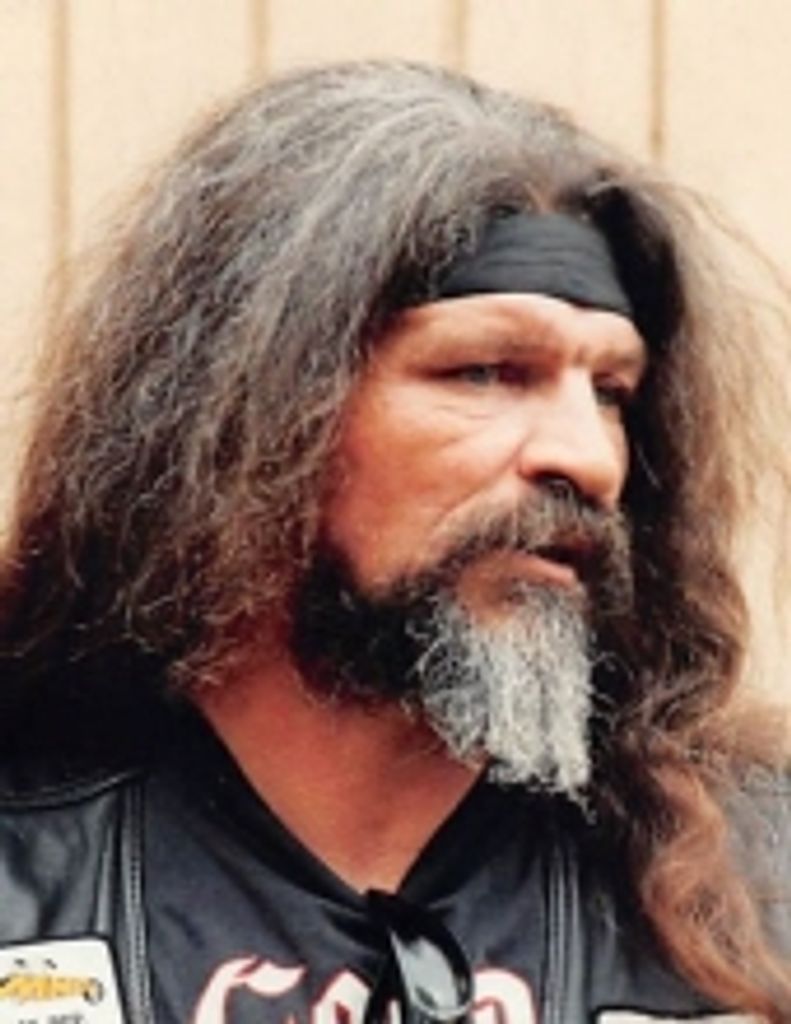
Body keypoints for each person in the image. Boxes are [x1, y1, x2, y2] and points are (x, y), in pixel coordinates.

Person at [0, 60, 788, 1024]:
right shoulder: (28, 869)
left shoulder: (756, 899)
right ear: (254, 414)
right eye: (485, 371)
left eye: (611, 393)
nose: (585, 457)